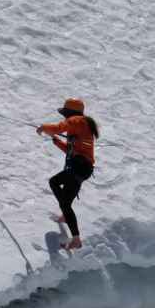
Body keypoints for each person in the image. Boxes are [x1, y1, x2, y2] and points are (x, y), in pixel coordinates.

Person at [36, 98, 99, 250]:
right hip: (83, 168)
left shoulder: (77, 120)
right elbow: (72, 150)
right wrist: (57, 142)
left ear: (70, 112)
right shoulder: (82, 124)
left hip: (78, 167)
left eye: (65, 113)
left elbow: (58, 128)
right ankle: (66, 216)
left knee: (54, 183)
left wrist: (43, 127)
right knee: (65, 201)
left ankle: (76, 238)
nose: (65, 117)